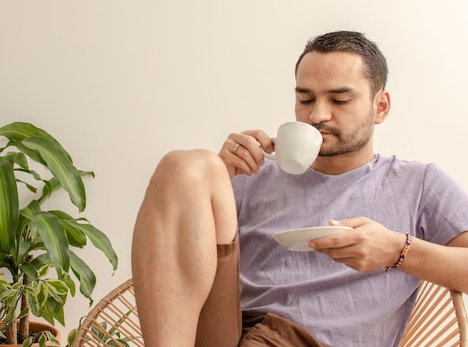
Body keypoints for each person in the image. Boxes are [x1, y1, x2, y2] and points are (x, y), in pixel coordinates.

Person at [131, 31, 468, 347]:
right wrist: (218, 178)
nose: (317, 115)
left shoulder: (418, 183)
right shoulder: (254, 173)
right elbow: (173, 260)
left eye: (339, 99)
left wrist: (398, 250)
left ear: (380, 107)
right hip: (230, 332)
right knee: (186, 166)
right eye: (305, 98)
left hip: (313, 340)